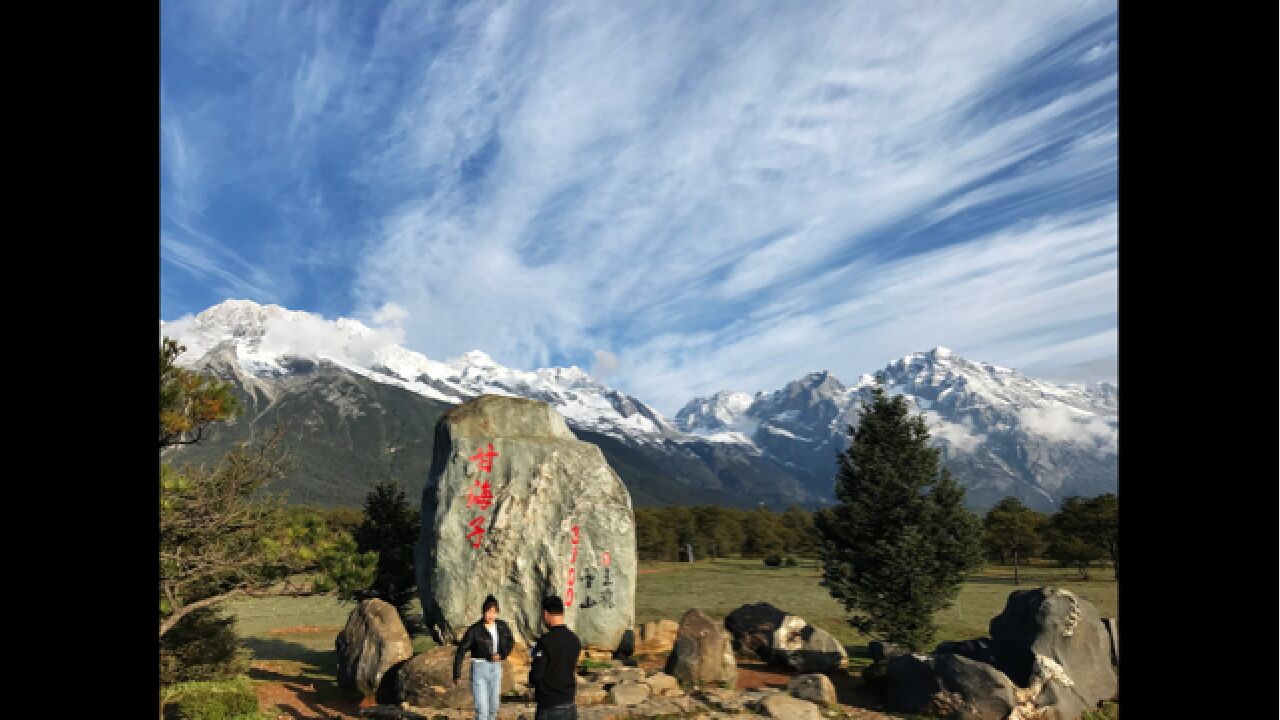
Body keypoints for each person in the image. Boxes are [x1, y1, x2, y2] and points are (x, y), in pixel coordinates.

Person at [453, 594, 514, 720]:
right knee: (482, 710)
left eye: (494, 612)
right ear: (483, 612)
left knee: (494, 707)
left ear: (497, 613)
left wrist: (502, 654)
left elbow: (510, 641)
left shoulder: (502, 626)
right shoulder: (474, 630)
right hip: (479, 667)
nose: (491, 615)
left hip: (496, 669)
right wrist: (457, 673)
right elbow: (461, 650)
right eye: (488, 611)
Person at [528, 594, 581, 720]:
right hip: (569, 702)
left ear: (545, 613)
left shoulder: (545, 641)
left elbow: (537, 674)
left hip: (549, 705)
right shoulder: (574, 639)